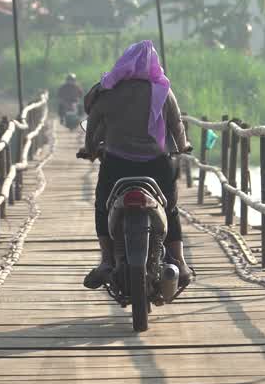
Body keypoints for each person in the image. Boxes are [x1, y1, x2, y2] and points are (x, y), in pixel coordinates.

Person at [80, 40, 194, 290]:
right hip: (156, 164)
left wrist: (89, 150)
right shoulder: (162, 90)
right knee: (171, 209)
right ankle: (182, 263)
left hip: (117, 164)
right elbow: (177, 126)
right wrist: (183, 146)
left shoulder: (108, 90)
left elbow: (93, 123)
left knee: (102, 206)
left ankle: (106, 261)